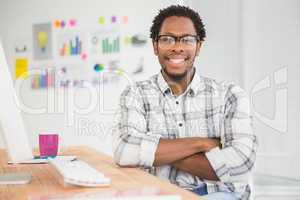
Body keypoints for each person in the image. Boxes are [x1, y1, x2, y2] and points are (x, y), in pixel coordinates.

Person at [112, 5, 258, 200]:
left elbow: (241, 164)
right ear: (155, 46)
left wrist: (158, 151)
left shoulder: (230, 95)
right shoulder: (135, 94)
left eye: (187, 39)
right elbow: (124, 152)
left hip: (218, 194)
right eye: (167, 39)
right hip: (160, 196)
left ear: (199, 46)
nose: (177, 47)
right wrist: (201, 144)